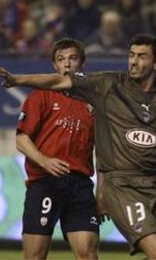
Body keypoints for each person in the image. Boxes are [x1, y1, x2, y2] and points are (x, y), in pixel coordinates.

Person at [0, 34, 156, 259]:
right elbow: (52, 89)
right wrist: (18, 79)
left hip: (150, 182)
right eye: (131, 55)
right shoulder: (106, 85)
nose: (133, 62)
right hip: (105, 184)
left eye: (141, 57)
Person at [17, 38, 99, 260]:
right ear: (54, 65)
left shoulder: (94, 102)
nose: (67, 64)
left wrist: (103, 192)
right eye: (61, 60)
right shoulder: (40, 96)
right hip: (45, 181)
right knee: (35, 255)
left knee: (88, 254)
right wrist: (44, 161)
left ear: (82, 62)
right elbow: (21, 139)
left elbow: (102, 151)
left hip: (80, 184)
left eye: (72, 58)